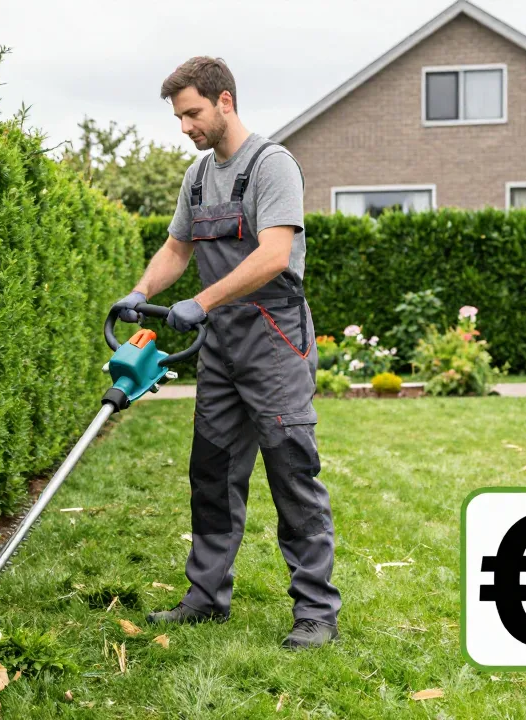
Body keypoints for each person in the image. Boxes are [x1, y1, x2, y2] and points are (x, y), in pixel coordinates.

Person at [112, 56, 341, 649]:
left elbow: (272, 255)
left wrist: (202, 303)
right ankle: (206, 597)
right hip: (219, 349)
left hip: (274, 341)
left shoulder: (273, 165)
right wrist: (142, 292)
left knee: (292, 473)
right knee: (211, 474)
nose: (184, 126)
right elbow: (176, 248)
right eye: (179, 116)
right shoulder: (197, 177)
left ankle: (316, 612)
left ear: (224, 102)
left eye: (191, 113)